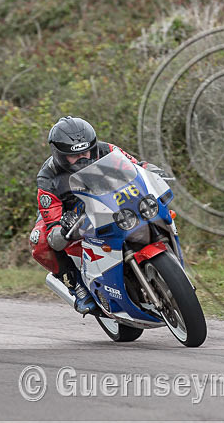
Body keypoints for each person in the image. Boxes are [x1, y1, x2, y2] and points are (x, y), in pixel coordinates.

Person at [29, 116, 145, 314]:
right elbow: (53, 226)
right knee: (40, 241)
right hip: (70, 214)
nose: (83, 158)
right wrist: (61, 228)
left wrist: (149, 170)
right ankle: (77, 286)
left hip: (110, 199)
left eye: (86, 151)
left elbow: (135, 167)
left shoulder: (106, 150)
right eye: (75, 155)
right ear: (59, 155)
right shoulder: (48, 177)